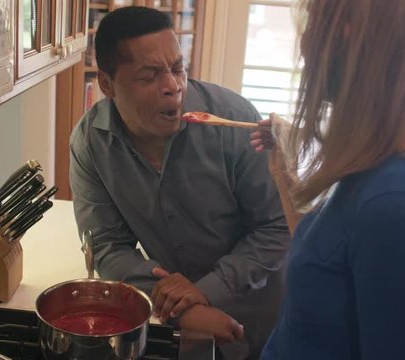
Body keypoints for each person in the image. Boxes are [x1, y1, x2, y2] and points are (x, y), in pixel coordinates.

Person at [250, 1, 405, 359]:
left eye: (315, 22)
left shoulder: (399, 207)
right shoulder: (381, 165)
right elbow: (330, 260)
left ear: (352, 35)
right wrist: (284, 174)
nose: (306, 41)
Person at [69, 6, 290, 359]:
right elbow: (107, 245)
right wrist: (184, 307)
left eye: (177, 68)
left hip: (261, 320)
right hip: (179, 320)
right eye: (149, 76)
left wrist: (207, 292)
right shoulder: (90, 142)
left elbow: (276, 227)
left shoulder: (233, 120)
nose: (172, 86)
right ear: (108, 84)